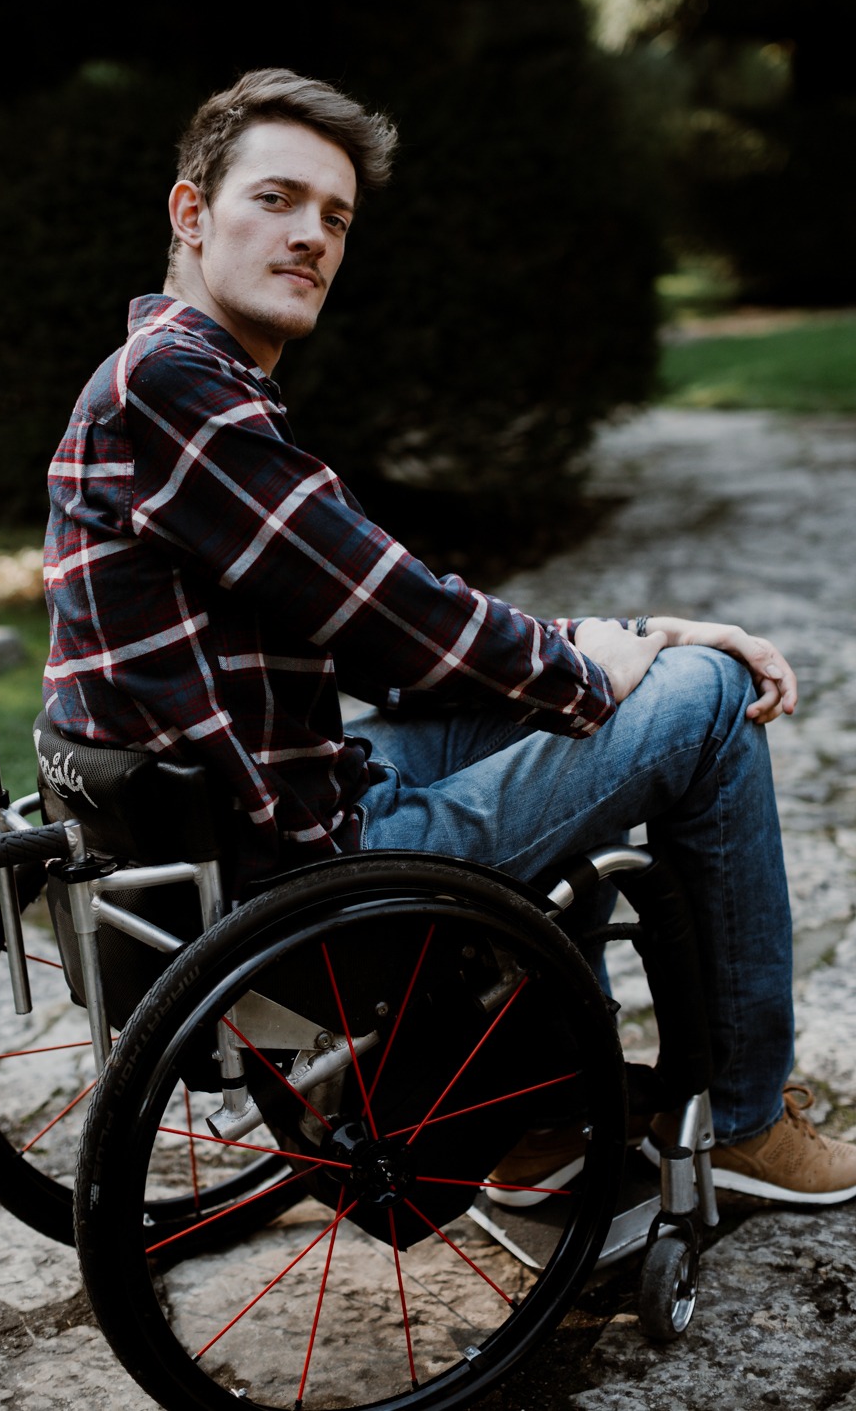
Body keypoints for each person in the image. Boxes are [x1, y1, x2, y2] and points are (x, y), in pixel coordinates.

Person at [43, 67, 856, 1207]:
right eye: (276, 199)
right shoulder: (180, 390)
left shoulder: (173, 382)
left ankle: (536, 1121)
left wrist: (636, 634)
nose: (312, 236)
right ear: (191, 213)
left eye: (335, 217)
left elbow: (385, 621)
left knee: (603, 685)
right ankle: (743, 1118)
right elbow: (403, 621)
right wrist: (597, 668)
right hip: (309, 878)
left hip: (256, 820)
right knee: (710, 699)